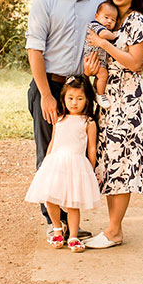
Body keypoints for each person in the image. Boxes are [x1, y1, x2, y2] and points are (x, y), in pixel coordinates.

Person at [26, 0, 105, 241]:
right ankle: (53, 223)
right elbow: (35, 50)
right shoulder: (44, 2)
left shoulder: (99, 3)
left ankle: (73, 222)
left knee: (79, 153)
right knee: (51, 153)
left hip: (82, 89)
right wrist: (46, 95)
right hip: (50, 84)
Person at [82, 0, 143, 249]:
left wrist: (103, 43)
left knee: (122, 164)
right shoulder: (113, 19)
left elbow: (136, 63)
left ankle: (113, 231)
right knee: (111, 164)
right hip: (108, 101)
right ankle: (114, 229)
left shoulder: (136, 21)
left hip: (128, 102)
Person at [24, 76, 102, 253]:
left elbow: (91, 148)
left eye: (80, 99)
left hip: (76, 165)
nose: (74, 103)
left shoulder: (88, 122)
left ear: (87, 100)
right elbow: (52, 141)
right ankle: (58, 228)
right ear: (64, 99)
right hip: (56, 163)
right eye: (70, 98)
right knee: (50, 198)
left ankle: (73, 235)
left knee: (72, 204)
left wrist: (90, 168)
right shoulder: (59, 118)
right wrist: (46, 162)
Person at [82, 1, 118, 109]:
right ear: (97, 16)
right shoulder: (95, 25)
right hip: (93, 58)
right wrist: (114, 35)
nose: (109, 21)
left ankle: (95, 91)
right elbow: (103, 34)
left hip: (98, 59)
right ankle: (100, 95)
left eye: (113, 20)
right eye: (106, 17)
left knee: (99, 78)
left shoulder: (102, 26)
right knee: (103, 75)